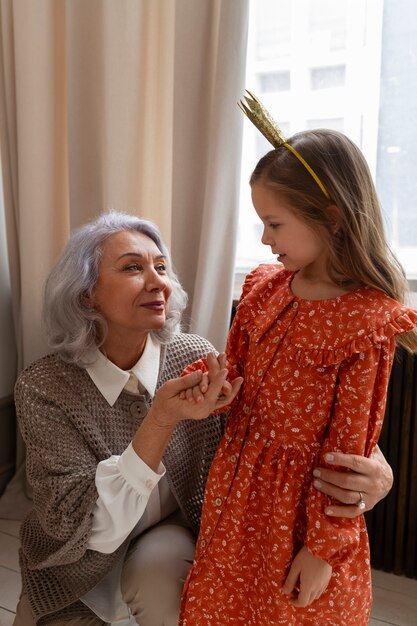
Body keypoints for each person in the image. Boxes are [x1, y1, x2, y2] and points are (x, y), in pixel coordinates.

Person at [13, 211, 393, 626]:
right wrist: (161, 418)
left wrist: (378, 469)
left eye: (161, 267)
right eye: (133, 268)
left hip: (174, 532)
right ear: (87, 294)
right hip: (76, 557)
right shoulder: (44, 387)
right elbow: (80, 527)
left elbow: (284, 417)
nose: (159, 281)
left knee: (163, 585)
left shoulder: (193, 355)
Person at [179, 94, 417, 626]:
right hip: (239, 497)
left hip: (302, 513)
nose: (264, 239)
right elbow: (234, 367)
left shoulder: (366, 322)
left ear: (331, 219)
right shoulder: (265, 291)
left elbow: (349, 456)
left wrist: (323, 549)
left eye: (275, 223)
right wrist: (207, 385)